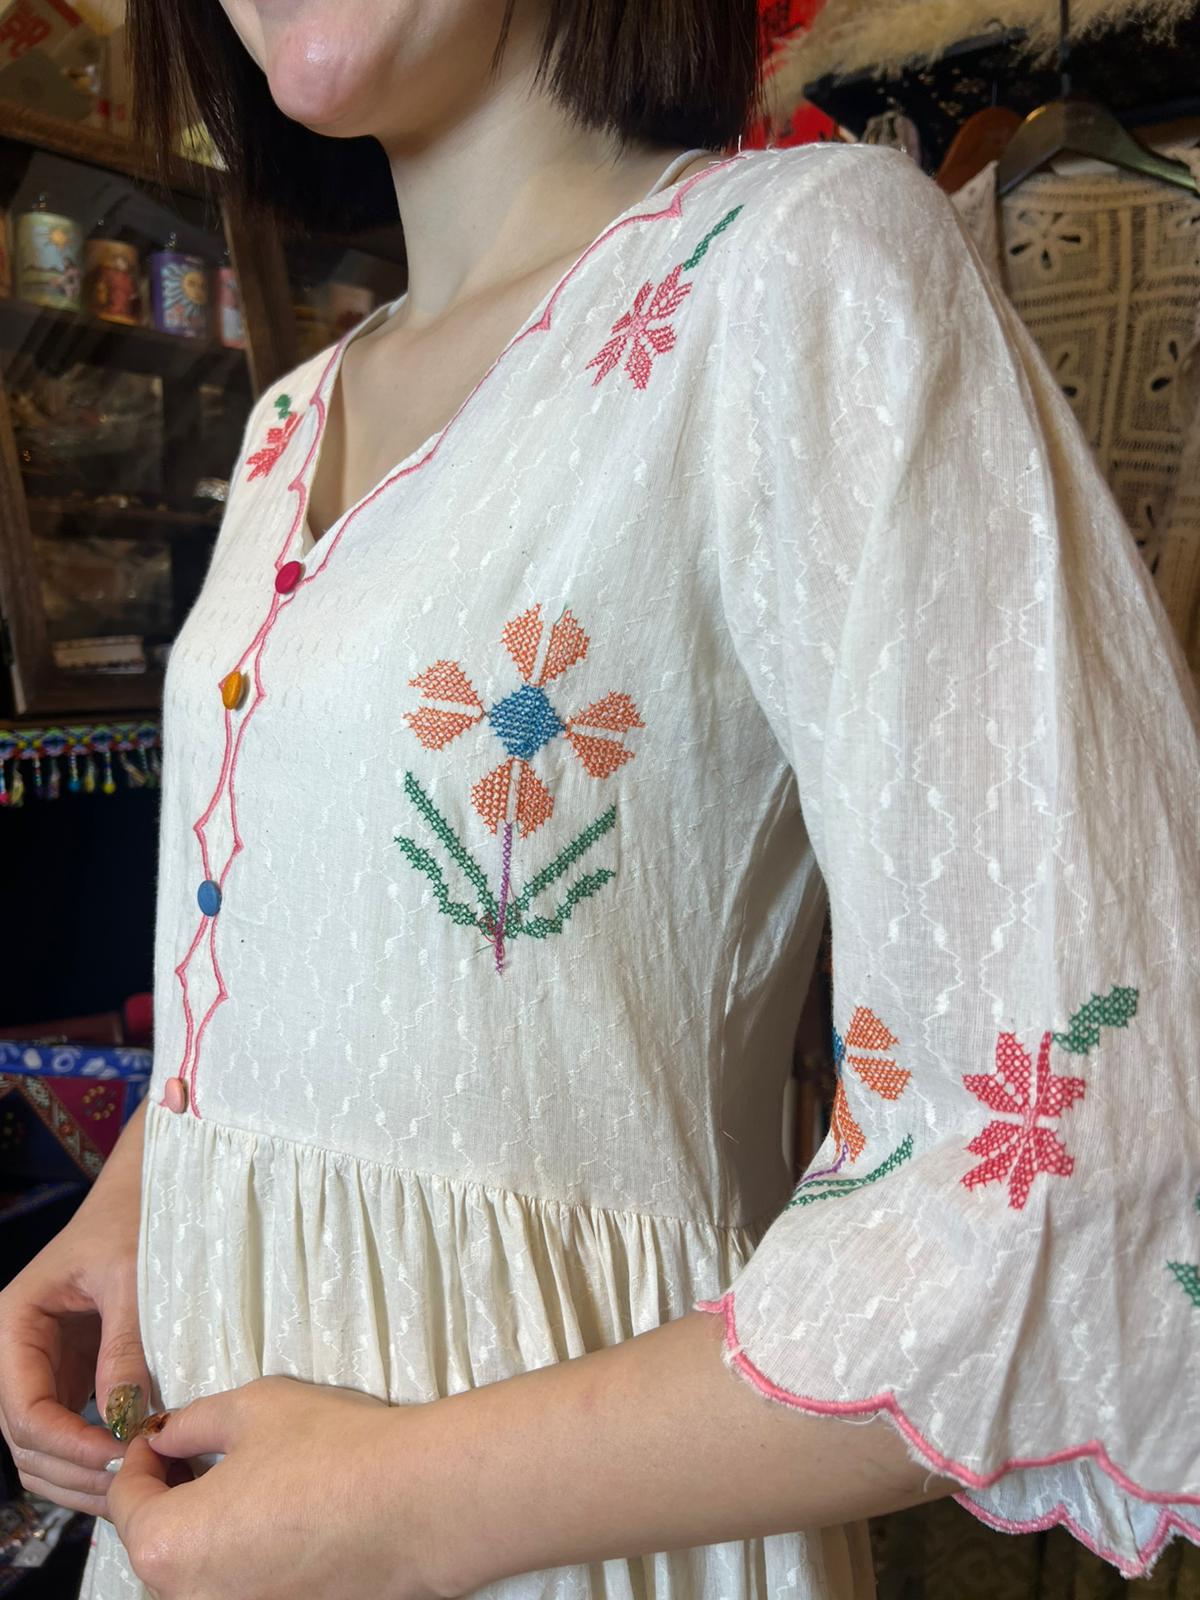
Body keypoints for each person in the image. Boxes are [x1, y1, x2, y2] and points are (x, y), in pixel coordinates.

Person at [1, 2, 1197, 1596]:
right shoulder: (293, 416)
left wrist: (402, 1510)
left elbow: (1084, 1140)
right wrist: (140, 1198)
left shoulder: (794, 273)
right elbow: (307, 932)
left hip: (560, 1533)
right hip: (216, 1504)